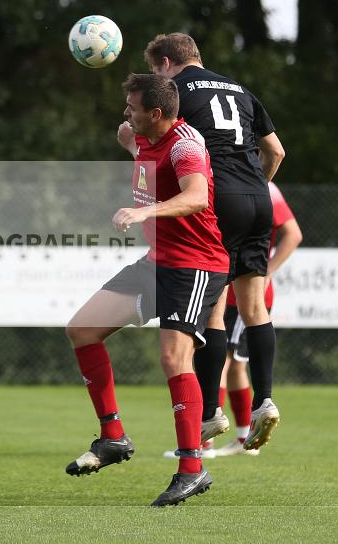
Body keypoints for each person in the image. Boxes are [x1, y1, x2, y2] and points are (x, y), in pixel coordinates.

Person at [65, 73, 229, 507]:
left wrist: (146, 213)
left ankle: (193, 469)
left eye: (132, 107)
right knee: (82, 329)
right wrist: (129, 141)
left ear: (156, 114)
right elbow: (139, 146)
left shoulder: (184, 145)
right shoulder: (146, 136)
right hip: (156, 263)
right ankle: (113, 436)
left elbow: (195, 196)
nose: (126, 113)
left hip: (194, 265)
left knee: (173, 358)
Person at [145, 33, 286, 450]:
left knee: (213, 310)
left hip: (215, 196)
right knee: (255, 305)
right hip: (259, 199)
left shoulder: (173, 91)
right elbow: (276, 152)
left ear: (166, 62)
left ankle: (210, 413)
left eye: (155, 71)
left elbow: (156, 137)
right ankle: (265, 401)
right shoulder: (238, 88)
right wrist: (253, 189)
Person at [216, 182, 302, 456]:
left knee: (223, 360)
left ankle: (202, 442)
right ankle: (244, 439)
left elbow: (293, 234)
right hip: (227, 292)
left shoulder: (264, 185)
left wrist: (268, 273)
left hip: (246, 295)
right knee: (234, 365)